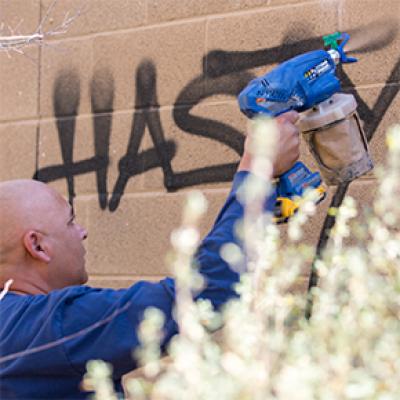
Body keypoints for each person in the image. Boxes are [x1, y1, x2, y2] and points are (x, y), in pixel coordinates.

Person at [0, 112, 300, 399]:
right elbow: (205, 290)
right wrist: (260, 167)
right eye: (70, 221)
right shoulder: (50, 328)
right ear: (37, 246)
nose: (81, 232)